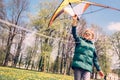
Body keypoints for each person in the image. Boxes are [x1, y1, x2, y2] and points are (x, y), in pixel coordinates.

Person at [71, 15, 104, 80]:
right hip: (78, 65)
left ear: (92, 37)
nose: (87, 34)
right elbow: (74, 33)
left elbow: (95, 59)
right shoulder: (79, 40)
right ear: (83, 35)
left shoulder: (93, 46)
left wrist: (99, 70)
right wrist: (74, 21)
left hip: (87, 68)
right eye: (85, 33)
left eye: (89, 34)